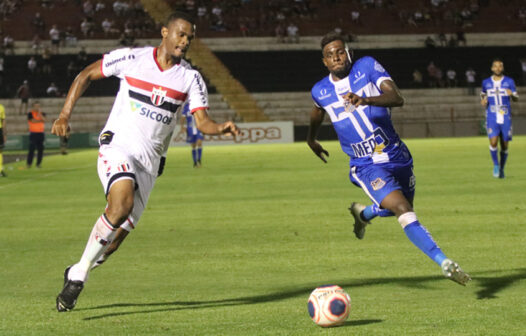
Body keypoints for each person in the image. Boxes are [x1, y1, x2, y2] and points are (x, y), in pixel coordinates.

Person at [52, 11, 240, 312]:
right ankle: (79, 275)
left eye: (190, 37)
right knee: (120, 205)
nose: (186, 41)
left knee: (113, 242)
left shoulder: (190, 77)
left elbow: (202, 121)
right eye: (181, 34)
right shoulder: (132, 59)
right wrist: (64, 114)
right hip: (118, 146)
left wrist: (219, 128)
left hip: (150, 162)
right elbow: (85, 74)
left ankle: (78, 266)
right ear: (165, 32)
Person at [307, 32, 470, 286]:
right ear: (324, 62)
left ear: (349, 53)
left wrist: (365, 99)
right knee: (403, 210)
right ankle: (445, 263)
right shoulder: (320, 90)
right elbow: (317, 112)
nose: (336, 57)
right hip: (365, 164)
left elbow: (397, 98)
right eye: (329, 55)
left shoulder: (367, 66)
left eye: (339, 51)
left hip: (395, 154)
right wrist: (311, 139)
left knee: (397, 208)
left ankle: (364, 214)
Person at [480, 59, 519, 178]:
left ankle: (502, 169)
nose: (497, 68)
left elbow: (516, 97)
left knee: (505, 144)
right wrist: (483, 100)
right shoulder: (486, 82)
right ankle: (496, 166)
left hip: (504, 114)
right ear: (492, 68)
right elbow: (483, 94)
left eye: (500, 66)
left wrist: (511, 94)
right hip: (492, 114)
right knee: (493, 141)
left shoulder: (509, 81)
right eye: (495, 66)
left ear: (502, 68)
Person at [180, 102, 204, 167]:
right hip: (190, 128)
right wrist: (182, 127)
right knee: (193, 145)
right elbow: (183, 117)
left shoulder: (199, 104)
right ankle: (195, 162)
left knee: (199, 142)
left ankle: (199, 159)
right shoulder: (186, 107)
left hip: (199, 127)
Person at [27, 101, 46, 168]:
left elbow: (44, 120)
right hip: (33, 133)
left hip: (41, 133)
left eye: (38, 106)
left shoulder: (42, 113)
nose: (37, 107)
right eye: (36, 106)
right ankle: (29, 164)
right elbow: (32, 121)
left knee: (40, 149)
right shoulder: (30, 113)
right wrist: (40, 120)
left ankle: (38, 164)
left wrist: (40, 114)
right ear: (33, 106)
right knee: (31, 149)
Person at [0, 103, 6, 177]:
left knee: (0, 151)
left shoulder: (1, 107)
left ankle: (0, 170)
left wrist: (4, 133)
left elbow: (3, 120)